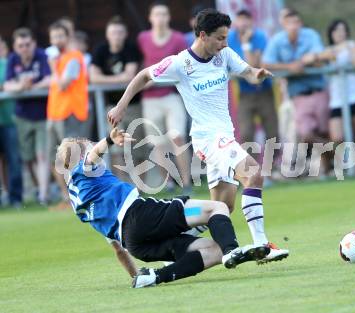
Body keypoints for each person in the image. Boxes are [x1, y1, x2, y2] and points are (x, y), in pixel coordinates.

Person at [108, 8, 289, 263]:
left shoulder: (223, 54)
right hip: (207, 138)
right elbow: (144, 75)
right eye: (220, 38)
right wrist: (122, 105)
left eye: (226, 38)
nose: (225, 43)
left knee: (222, 209)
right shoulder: (181, 63)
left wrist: (255, 74)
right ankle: (262, 245)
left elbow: (247, 70)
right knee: (253, 173)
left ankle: (170, 246)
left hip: (224, 137)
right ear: (203, 35)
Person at [56, 128, 268, 287]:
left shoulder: (79, 204)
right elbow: (93, 155)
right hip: (143, 217)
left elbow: (118, 250)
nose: (92, 145)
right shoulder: (84, 171)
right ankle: (232, 251)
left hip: (136, 244)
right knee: (216, 208)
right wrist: (109, 140)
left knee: (213, 250)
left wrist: (135, 274)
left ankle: (155, 277)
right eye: (87, 144)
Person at [262, 8, 330, 176]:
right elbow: (266, 63)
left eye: (296, 22)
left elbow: (321, 56)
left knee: (324, 131)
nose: (293, 26)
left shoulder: (310, 35)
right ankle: (338, 155)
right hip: (298, 95)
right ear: (283, 24)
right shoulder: (277, 41)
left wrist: (306, 62)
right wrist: (290, 67)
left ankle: (326, 168)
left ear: (300, 23)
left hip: (319, 90)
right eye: (289, 23)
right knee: (306, 134)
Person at [137, 1, 192, 193]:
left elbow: (184, 67)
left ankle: (186, 183)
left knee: (177, 137)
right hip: (150, 98)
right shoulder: (143, 38)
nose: (160, 18)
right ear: (151, 18)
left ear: (168, 17)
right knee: (158, 144)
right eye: (157, 14)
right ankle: (168, 182)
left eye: (164, 14)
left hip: (172, 95)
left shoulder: (178, 39)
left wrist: (157, 79)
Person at [89, 16, 145, 181]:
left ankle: (139, 187)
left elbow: (130, 75)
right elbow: (93, 77)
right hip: (110, 107)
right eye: (113, 32)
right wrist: (119, 78)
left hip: (133, 105)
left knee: (137, 147)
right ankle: (122, 185)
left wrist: (106, 78)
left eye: (120, 32)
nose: (116, 36)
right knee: (114, 148)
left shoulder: (131, 48)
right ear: (107, 34)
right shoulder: (101, 50)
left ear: (125, 34)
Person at [4, 28, 51, 205]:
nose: (25, 48)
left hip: (42, 114)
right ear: (15, 47)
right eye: (20, 45)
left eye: (27, 44)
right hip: (22, 116)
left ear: (33, 44)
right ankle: (40, 188)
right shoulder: (12, 60)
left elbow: (49, 79)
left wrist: (33, 85)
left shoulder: (41, 55)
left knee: (42, 155)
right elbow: (7, 85)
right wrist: (20, 87)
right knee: (28, 158)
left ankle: (43, 196)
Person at [46, 21, 89, 210]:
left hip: (70, 113)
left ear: (67, 37)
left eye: (60, 36)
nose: (57, 40)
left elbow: (63, 84)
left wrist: (53, 67)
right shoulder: (61, 59)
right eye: (54, 37)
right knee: (53, 158)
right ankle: (67, 198)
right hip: (55, 114)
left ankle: (80, 197)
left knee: (72, 159)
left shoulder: (73, 58)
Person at [317, 20, 355, 173]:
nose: (340, 33)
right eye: (336, 31)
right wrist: (327, 56)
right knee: (337, 136)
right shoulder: (327, 51)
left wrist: (348, 50)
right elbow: (316, 60)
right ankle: (341, 167)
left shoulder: (354, 46)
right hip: (338, 98)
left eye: (343, 30)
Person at [228, 9, 279, 162]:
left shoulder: (260, 36)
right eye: (240, 19)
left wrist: (245, 44)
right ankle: (254, 169)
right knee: (245, 133)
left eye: (246, 19)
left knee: (272, 134)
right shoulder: (229, 39)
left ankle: (271, 168)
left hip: (264, 90)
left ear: (251, 22)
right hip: (244, 93)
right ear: (235, 22)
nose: (243, 23)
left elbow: (255, 66)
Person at [0, 36, 23, 207]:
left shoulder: (8, 64)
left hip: (9, 120)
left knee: (14, 159)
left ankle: (16, 198)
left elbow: (13, 83)